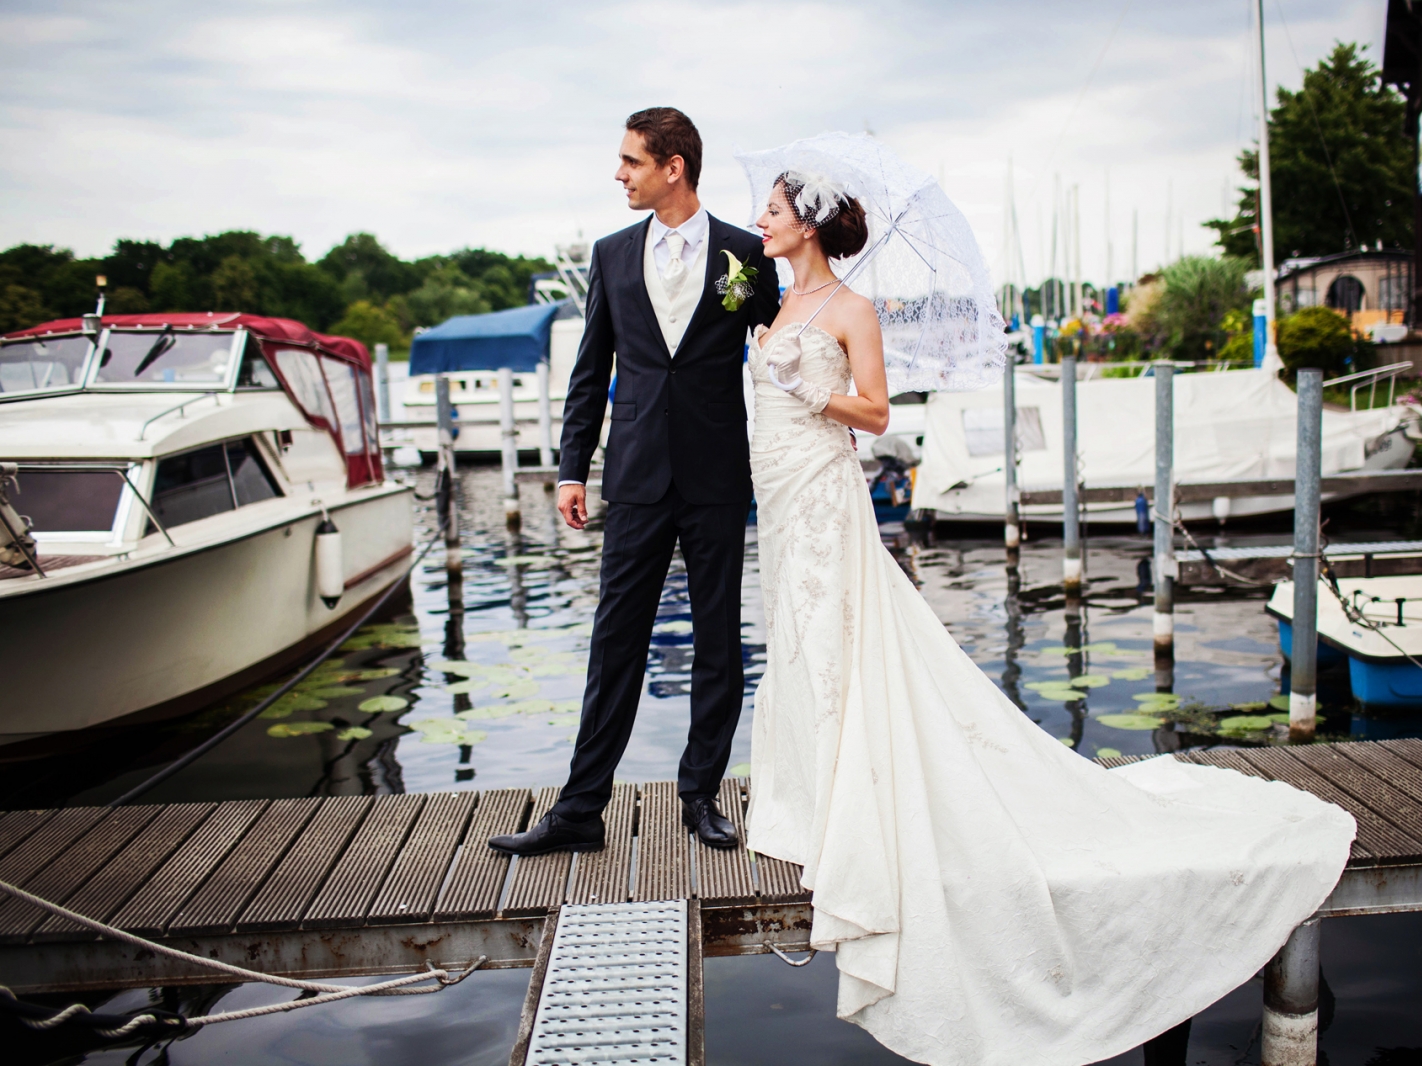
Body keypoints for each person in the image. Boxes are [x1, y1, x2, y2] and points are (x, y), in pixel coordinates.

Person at [741, 169, 1357, 1066]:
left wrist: (810, 392)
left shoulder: (853, 309)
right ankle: (811, 789)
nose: (758, 220)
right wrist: (770, 358)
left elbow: (873, 414)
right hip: (784, 498)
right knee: (797, 640)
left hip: (828, 493)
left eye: (771, 210)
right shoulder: (774, 308)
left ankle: (858, 792)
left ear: (810, 223)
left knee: (843, 637)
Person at [488, 107, 779, 857]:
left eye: (631, 162)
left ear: (672, 167)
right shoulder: (612, 254)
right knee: (615, 639)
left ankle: (701, 797)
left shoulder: (746, 254)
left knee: (719, 641)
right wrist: (570, 469)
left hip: (717, 475)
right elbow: (591, 372)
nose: (619, 173)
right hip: (636, 477)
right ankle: (580, 810)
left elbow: (782, 350)